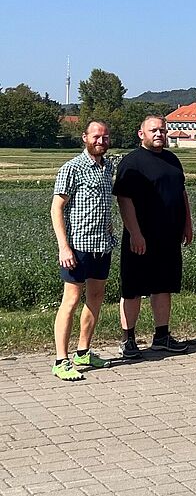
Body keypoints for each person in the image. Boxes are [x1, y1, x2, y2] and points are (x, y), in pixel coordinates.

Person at [114, 115, 192, 360]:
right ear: (141, 134)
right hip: (141, 239)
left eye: (162, 130)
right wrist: (135, 233)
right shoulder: (132, 162)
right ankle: (128, 340)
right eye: (153, 130)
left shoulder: (172, 160)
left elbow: (182, 193)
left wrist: (187, 224)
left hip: (168, 237)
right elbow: (124, 200)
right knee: (133, 289)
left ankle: (161, 336)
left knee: (163, 286)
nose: (159, 134)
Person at [50, 120, 115, 381]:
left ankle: (83, 352)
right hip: (78, 247)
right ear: (85, 138)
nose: (101, 141)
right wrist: (63, 247)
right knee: (71, 300)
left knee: (96, 297)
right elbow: (57, 208)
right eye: (96, 137)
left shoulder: (108, 166)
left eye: (105, 137)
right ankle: (60, 360)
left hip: (102, 245)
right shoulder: (72, 168)